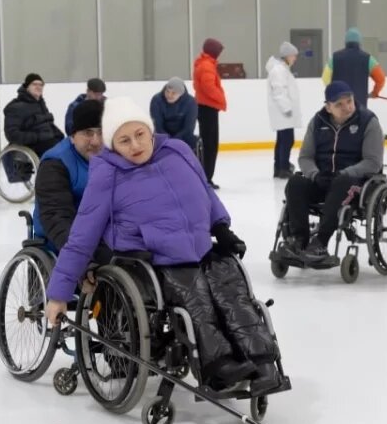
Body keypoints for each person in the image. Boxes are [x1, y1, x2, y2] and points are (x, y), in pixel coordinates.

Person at [44, 97, 279, 394]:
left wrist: (220, 226)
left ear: (150, 130)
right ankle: (218, 365)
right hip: (152, 257)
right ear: (112, 145)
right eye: (124, 140)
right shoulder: (107, 173)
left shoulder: (177, 151)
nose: (135, 145)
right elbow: (82, 235)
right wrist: (59, 293)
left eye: (140, 135)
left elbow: (203, 190)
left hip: (198, 249)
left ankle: (261, 359)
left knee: (229, 284)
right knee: (194, 295)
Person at [276, 81, 384, 269]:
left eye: (349, 101)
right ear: (328, 107)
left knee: (342, 183)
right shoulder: (318, 122)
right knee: (295, 183)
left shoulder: (368, 121)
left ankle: (320, 243)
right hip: (323, 178)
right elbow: (306, 157)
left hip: (355, 182)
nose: (347, 107)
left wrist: (345, 173)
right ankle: (299, 240)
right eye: (339, 104)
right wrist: (315, 175)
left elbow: (373, 162)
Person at [34, 99, 110, 260]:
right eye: (88, 133)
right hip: (63, 238)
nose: (96, 141)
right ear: (73, 135)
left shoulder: (114, 157)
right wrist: (80, 255)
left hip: (103, 234)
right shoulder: (55, 164)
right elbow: (56, 217)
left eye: (101, 132)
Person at [322, 27, 385, 110]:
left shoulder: (335, 58)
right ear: (360, 42)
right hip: (359, 106)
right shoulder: (368, 59)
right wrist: (375, 92)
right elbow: (381, 78)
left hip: (338, 105)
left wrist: (335, 90)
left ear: (345, 42)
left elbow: (325, 77)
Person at [4, 72, 64, 158]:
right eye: (34, 84)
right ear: (27, 87)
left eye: (41, 85)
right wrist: (37, 137)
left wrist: (60, 136)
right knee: (60, 153)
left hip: (48, 142)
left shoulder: (41, 104)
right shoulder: (16, 107)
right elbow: (12, 134)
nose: (38, 87)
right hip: (32, 146)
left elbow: (48, 124)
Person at [193, 38, 226, 188]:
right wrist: (220, 98)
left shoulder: (205, 64)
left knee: (209, 143)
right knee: (210, 144)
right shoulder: (207, 66)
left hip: (206, 107)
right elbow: (208, 87)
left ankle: (206, 177)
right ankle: (206, 177)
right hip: (208, 108)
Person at [266, 41, 301, 179]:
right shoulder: (278, 70)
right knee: (286, 140)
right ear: (287, 56)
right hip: (283, 112)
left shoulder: (282, 69)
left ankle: (280, 167)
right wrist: (287, 108)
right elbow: (279, 91)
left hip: (284, 112)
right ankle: (283, 168)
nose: (295, 58)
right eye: (293, 55)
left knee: (283, 140)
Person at [149, 77, 198, 152]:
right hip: (162, 137)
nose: (169, 95)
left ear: (181, 94)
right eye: (167, 91)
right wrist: (168, 140)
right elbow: (157, 126)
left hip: (183, 137)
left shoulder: (190, 103)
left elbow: (189, 128)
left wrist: (175, 141)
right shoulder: (156, 101)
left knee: (193, 140)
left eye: (173, 93)